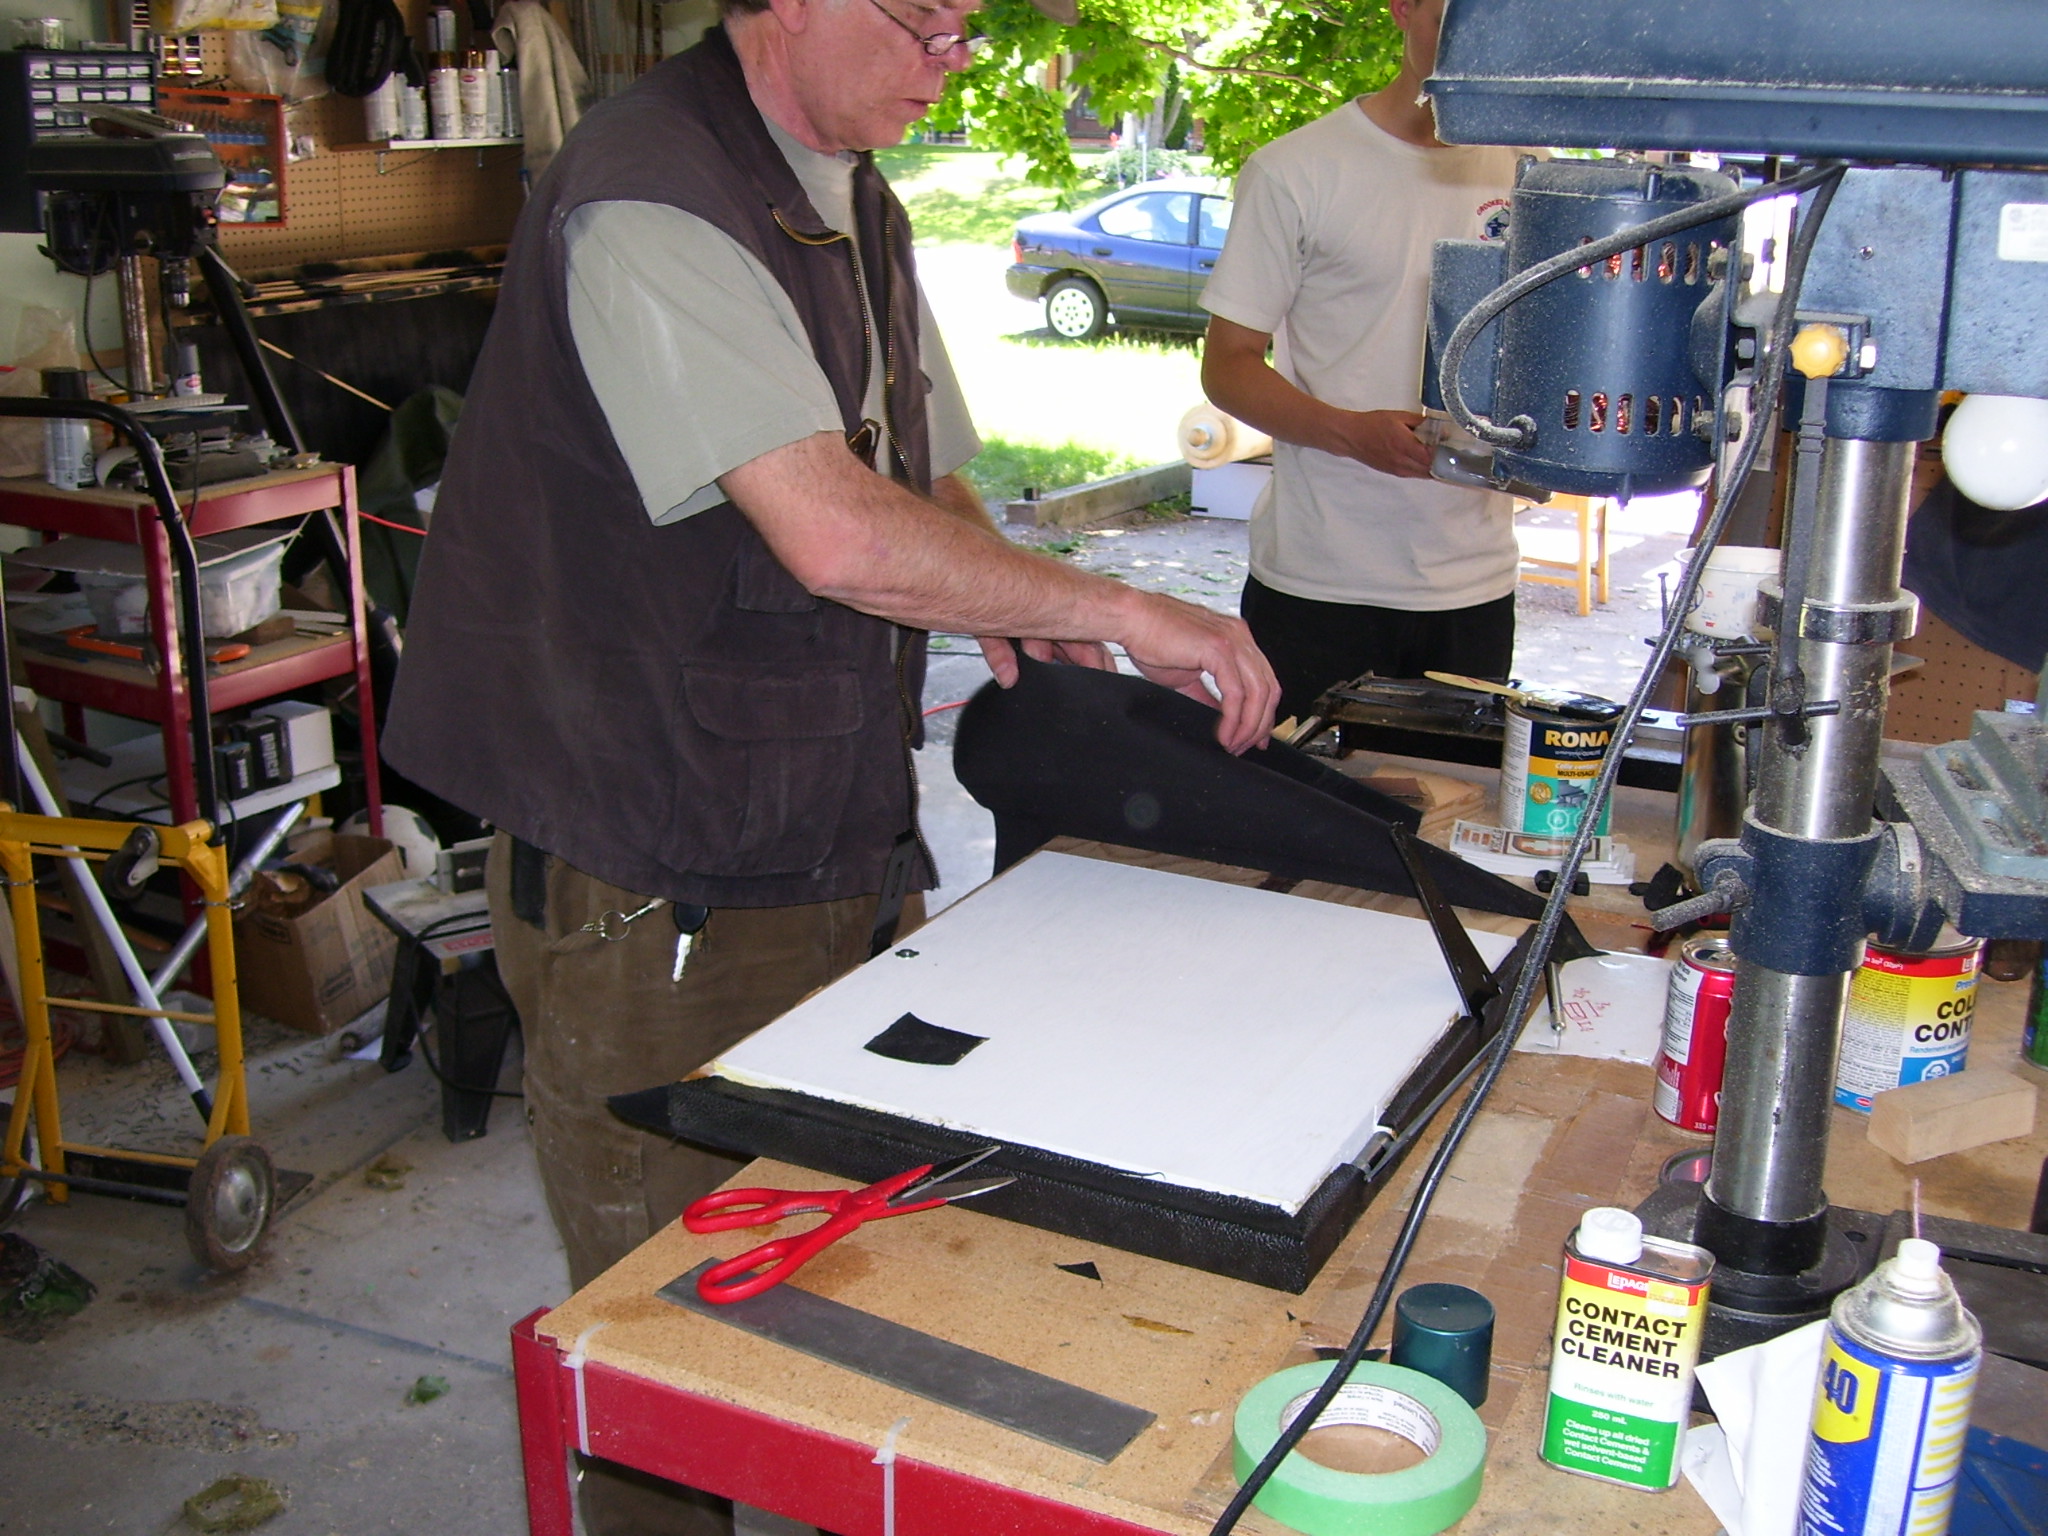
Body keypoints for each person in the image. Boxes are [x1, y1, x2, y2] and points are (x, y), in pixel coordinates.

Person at [382, 0, 1276, 1526]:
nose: (954, 58)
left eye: (969, 29)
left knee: (850, 1298)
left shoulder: (853, 195)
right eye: (925, 20)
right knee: (665, 1360)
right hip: (654, 873)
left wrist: (1017, 599)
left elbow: (917, 483)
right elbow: (838, 535)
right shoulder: (651, 197)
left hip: (829, 834)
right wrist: (1120, 607)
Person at [1199, 0, 1524, 722]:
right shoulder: (1295, 170)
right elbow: (1227, 367)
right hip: (1319, 583)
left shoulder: (1529, 173)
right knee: (1301, 793)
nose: (1473, 44)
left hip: (1473, 584)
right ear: (1403, 9)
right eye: (1452, 18)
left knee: (1448, 794)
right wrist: (1351, 433)